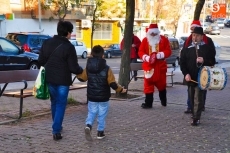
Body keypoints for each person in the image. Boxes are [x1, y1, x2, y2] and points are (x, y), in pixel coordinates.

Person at [38, 21, 83, 140]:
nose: (71, 34)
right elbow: (74, 67)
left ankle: (57, 125)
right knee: (61, 103)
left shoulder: (47, 42)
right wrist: (81, 71)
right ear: (68, 32)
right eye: (71, 31)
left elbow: (40, 61)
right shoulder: (69, 47)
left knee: (54, 102)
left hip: (49, 78)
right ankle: (56, 130)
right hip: (63, 80)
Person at [77, 45, 127, 141]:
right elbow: (112, 83)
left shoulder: (88, 67)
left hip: (92, 96)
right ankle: (100, 132)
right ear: (103, 55)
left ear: (91, 54)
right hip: (103, 97)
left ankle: (88, 125)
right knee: (102, 114)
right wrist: (121, 90)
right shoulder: (107, 68)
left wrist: (77, 71)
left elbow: (82, 78)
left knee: (91, 112)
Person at [180, 27, 216, 126]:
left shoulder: (207, 49)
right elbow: (182, 63)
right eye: (193, 35)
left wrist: (204, 60)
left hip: (202, 77)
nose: (195, 37)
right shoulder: (187, 49)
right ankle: (194, 113)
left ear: (201, 37)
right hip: (190, 77)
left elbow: (212, 61)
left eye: (197, 36)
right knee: (191, 97)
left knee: (198, 98)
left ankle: (196, 117)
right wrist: (185, 73)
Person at [138, 23, 172, 108]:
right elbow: (140, 52)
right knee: (148, 85)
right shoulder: (145, 40)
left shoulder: (164, 40)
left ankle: (163, 101)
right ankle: (148, 103)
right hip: (149, 66)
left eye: (154, 33)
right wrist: (145, 57)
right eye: (151, 33)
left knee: (161, 85)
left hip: (160, 67)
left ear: (157, 33)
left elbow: (168, 51)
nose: (153, 35)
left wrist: (160, 55)